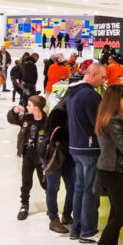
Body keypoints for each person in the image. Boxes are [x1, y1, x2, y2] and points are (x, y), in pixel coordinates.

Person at [84, 85, 123, 245]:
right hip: (116, 171)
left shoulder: (107, 118)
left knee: (115, 213)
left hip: (109, 170)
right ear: (117, 100)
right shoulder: (115, 122)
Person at [68, 63, 106, 243]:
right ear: (93, 74)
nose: (103, 80)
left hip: (76, 147)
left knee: (80, 188)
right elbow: (98, 123)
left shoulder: (72, 92)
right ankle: (88, 231)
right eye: (102, 77)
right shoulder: (90, 95)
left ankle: (76, 228)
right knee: (90, 191)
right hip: (90, 148)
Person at [6, 95, 48, 220]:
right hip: (28, 157)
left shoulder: (47, 122)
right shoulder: (26, 118)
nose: (26, 107)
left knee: (45, 183)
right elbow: (11, 119)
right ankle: (24, 205)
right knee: (26, 182)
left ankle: (51, 204)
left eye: (29, 105)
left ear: (37, 108)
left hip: (41, 159)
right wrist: (14, 111)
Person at [42, 94, 76, 233]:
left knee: (73, 186)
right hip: (54, 155)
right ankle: (53, 219)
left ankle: (66, 215)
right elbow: (54, 134)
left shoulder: (71, 110)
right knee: (53, 188)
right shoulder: (58, 111)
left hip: (69, 154)